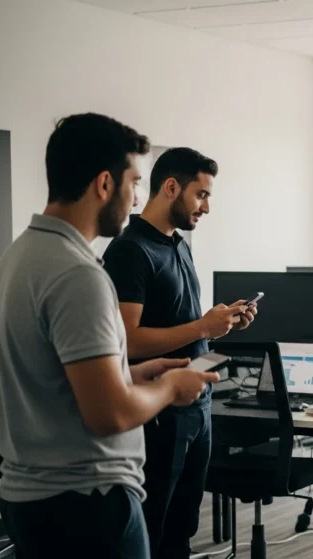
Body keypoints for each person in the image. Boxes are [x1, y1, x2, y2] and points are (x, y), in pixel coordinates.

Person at [0, 113, 219, 558]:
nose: (136, 200)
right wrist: (169, 387)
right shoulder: (78, 275)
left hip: (31, 497)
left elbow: (61, 379)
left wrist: (134, 372)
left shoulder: (18, 258)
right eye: (133, 182)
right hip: (87, 503)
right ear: (104, 184)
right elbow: (108, 414)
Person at [102, 147, 256, 558]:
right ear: (171, 187)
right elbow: (127, 340)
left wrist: (218, 325)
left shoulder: (180, 245)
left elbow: (181, 328)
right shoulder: (129, 251)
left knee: (183, 526)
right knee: (155, 525)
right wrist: (202, 326)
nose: (206, 207)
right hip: (157, 411)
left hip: (197, 407)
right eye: (201, 195)